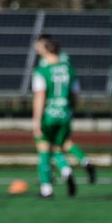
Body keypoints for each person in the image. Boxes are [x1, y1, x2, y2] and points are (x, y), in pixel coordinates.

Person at [30, 36, 96, 197]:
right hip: (65, 114)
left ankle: (47, 189)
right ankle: (69, 170)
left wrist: (36, 122)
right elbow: (76, 96)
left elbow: (40, 97)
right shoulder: (69, 69)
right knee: (60, 146)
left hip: (48, 116)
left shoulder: (41, 71)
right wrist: (69, 109)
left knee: (44, 150)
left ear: (46, 49)